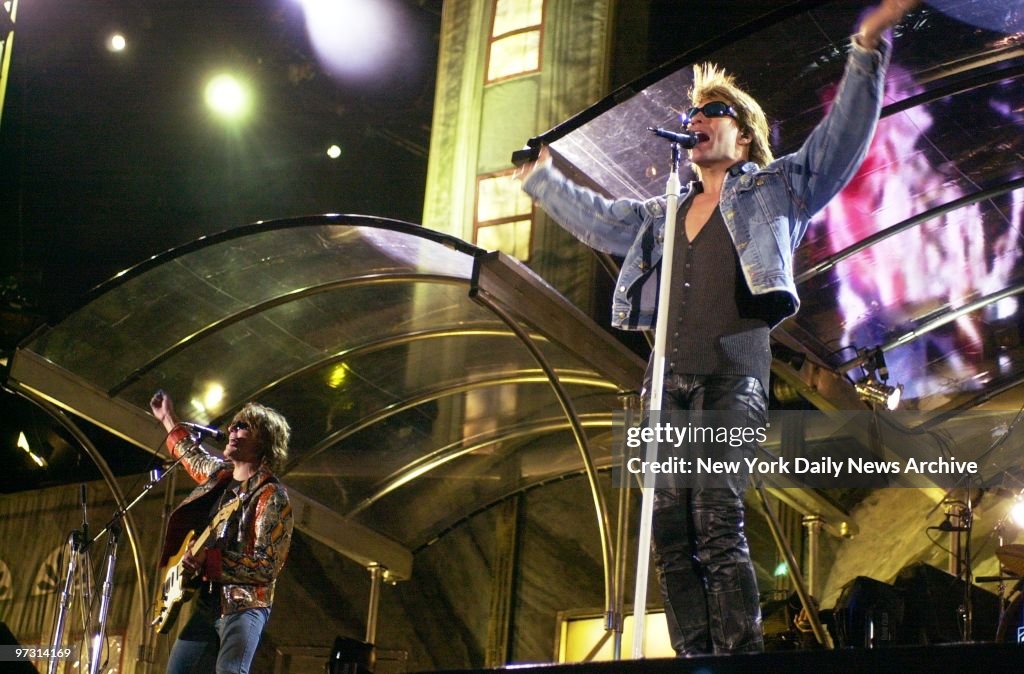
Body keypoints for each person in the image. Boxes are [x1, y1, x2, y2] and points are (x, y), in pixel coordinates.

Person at [516, 0, 920, 656]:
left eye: (713, 113)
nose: (697, 121)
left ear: (745, 134)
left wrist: (867, 49)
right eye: (692, 116)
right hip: (665, 379)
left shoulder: (776, 187)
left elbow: (839, 141)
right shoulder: (662, 210)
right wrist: (542, 179)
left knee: (715, 521)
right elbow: (601, 220)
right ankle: (694, 656)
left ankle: (738, 657)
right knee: (670, 532)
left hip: (734, 366)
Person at [150, 390, 294, 674]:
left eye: (242, 426)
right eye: (233, 425)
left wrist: (211, 562)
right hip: (208, 602)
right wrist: (168, 417)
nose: (232, 430)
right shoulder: (220, 476)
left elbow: (268, 566)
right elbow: (191, 455)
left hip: (244, 606)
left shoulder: (271, 495)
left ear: (264, 440)